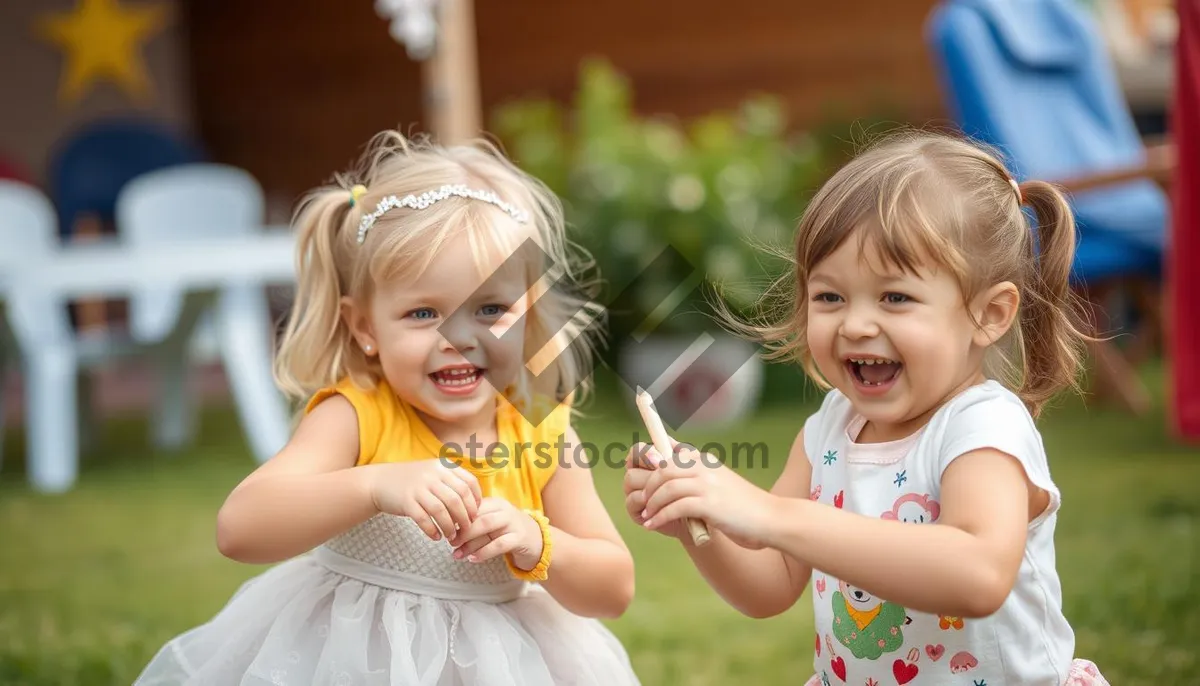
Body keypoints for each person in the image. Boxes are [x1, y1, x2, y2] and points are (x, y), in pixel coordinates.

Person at [136, 130, 640, 685]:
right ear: (364, 326)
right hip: (354, 662)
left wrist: (535, 539)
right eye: (424, 313)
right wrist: (375, 486)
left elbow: (613, 587)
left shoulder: (541, 431)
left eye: (491, 308)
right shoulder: (356, 416)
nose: (460, 338)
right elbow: (240, 528)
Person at [624, 130, 1111, 685]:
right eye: (829, 296)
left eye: (895, 297)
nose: (855, 324)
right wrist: (697, 521)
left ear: (989, 314)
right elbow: (771, 583)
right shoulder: (828, 429)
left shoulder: (982, 426)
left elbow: (977, 575)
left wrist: (773, 515)